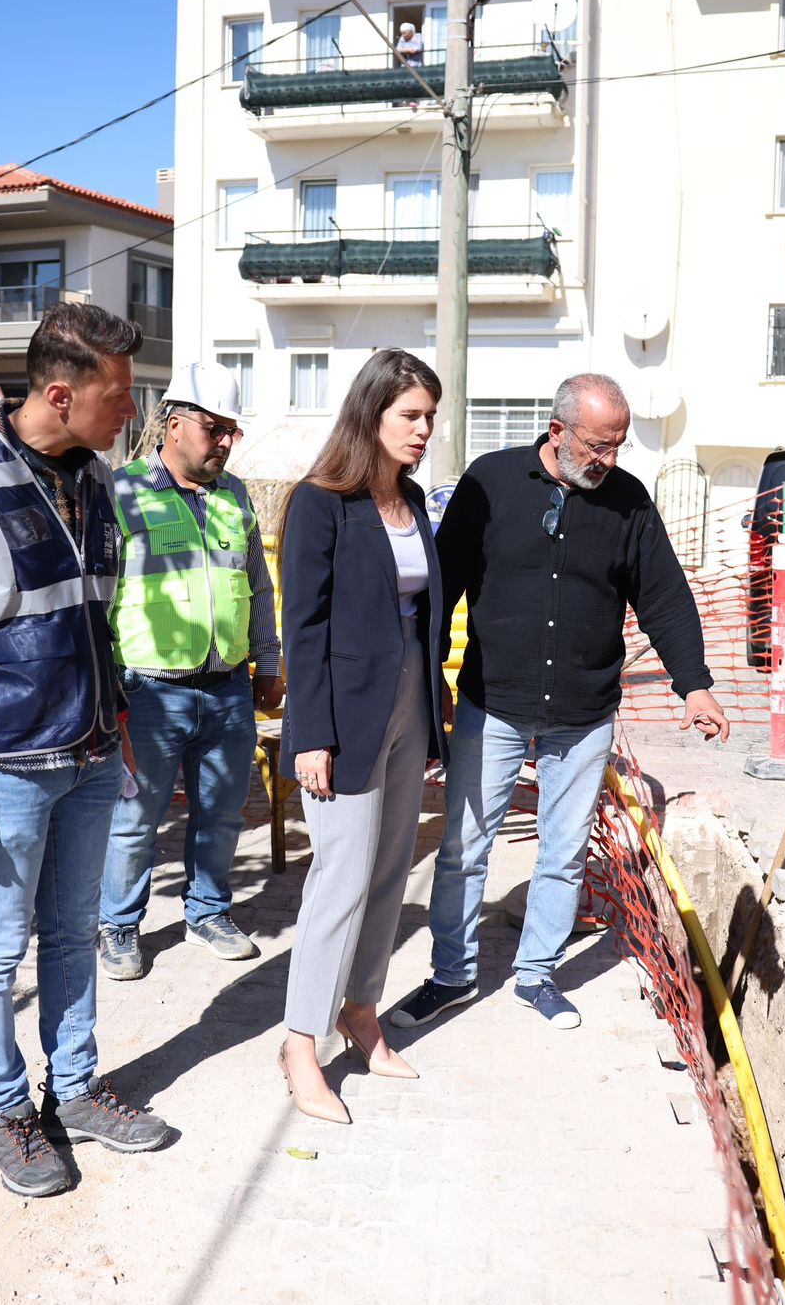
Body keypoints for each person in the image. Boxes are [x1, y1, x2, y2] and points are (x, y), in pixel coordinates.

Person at [0, 303, 170, 1199]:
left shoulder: (92, 476)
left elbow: (96, 620)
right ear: (61, 391)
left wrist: (117, 726)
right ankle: (7, 1111)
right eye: (119, 395)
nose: (132, 411)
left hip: (89, 752)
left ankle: (75, 1090)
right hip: (2, 761)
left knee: (72, 935)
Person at [390, 374, 728, 1035]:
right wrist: (428, 687)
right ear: (557, 431)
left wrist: (695, 683)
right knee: (462, 847)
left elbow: (664, 596)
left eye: (618, 446)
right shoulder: (489, 483)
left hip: (585, 713)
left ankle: (536, 974)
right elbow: (439, 588)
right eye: (598, 445)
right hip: (494, 704)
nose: (609, 459)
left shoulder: (628, 503)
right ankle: (451, 976)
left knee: (564, 850)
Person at [276, 349, 449, 1124]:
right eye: (410, 415)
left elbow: (423, 614)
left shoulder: (412, 500)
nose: (423, 430)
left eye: (430, 418)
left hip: (410, 701)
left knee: (388, 869)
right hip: (341, 712)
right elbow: (301, 628)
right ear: (371, 414)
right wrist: (308, 733)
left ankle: (361, 1011)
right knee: (340, 877)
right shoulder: (321, 502)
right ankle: (299, 1041)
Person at [98, 364, 283, 981]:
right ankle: (118, 926)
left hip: (227, 686)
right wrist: (106, 687)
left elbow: (255, 584)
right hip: (148, 689)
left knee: (223, 812)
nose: (226, 442)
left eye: (232, 430)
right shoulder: (120, 493)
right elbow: (100, 596)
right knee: (134, 818)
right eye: (214, 428)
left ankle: (208, 911)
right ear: (174, 423)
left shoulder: (234, 495)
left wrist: (269, 659)